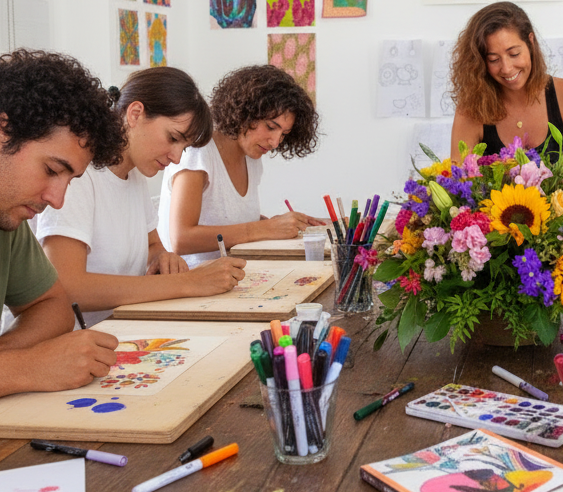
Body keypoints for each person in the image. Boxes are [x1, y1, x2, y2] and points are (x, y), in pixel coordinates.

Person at [34, 66, 246, 327]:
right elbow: (68, 286)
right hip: (70, 343)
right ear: (135, 114)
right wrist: (186, 282)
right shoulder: (79, 175)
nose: (177, 157)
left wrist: (162, 258)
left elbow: (153, 246)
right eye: (173, 138)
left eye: (184, 147)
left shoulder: (133, 174)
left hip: (122, 329)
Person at [0, 49, 125, 397]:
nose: (57, 199)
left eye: (69, 180)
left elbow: (52, 306)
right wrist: (25, 368)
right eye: (52, 170)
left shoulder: (7, 217)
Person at [158, 64, 323, 266]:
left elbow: (230, 220)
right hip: (191, 279)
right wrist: (265, 229)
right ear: (244, 112)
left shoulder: (251, 156)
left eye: (284, 134)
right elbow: (181, 239)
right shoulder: (199, 150)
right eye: (271, 127)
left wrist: (276, 223)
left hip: (232, 276)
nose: (275, 142)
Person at [450, 2, 563, 161]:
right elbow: (459, 181)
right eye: (493, 59)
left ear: (530, 42)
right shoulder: (471, 108)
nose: (507, 68)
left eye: (514, 54)